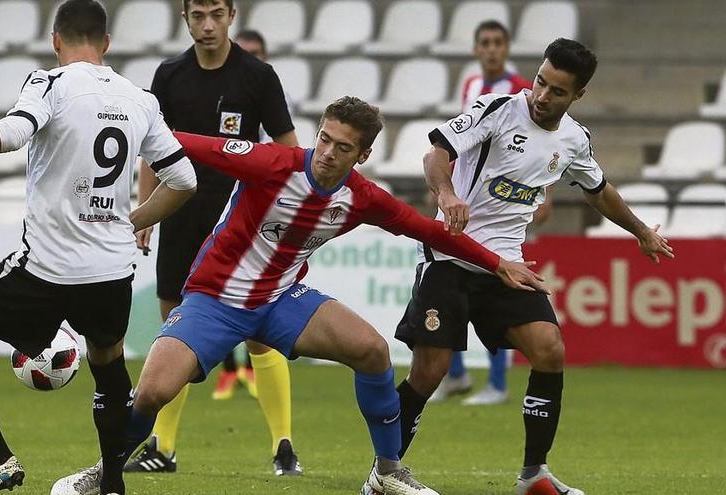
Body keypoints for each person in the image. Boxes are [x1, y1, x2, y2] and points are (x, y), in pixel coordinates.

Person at [53, 96, 548, 495]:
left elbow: (433, 232)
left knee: (373, 352)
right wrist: (110, 118)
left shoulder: (362, 197)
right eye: (325, 139)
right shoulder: (271, 163)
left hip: (282, 299)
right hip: (215, 298)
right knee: (154, 392)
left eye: (343, 147)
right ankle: (102, 470)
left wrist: (498, 262)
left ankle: (387, 472)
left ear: (363, 155)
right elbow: (179, 144)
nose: (328, 153)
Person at [0, 2, 198, 494]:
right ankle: (111, 483)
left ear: (55, 40)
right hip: (111, 271)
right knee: (107, 366)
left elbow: (11, 134)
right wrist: (130, 222)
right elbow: (184, 180)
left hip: (46, 268)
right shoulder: (140, 99)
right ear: (106, 43)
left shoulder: (49, 83)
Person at [389, 39, 674, 495]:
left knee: (549, 349)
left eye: (557, 91)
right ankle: (384, 472)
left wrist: (640, 231)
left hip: (507, 265)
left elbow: (598, 190)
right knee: (429, 371)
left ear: (577, 96)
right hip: (451, 255)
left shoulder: (574, 140)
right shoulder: (498, 109)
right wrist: (446, 195)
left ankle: (534, 476)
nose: (542, 96)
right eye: (541, 81)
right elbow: (435, 154)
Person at [126, 0, 303, 476]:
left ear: (232, 16)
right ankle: (162, 448)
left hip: (244, 227)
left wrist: (289, 218)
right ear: (185, 18)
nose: (208, 25)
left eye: (217, 14)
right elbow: (150, 149)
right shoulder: (168, 76)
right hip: (180, 218)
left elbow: (289, 154)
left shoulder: (257, 77)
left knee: (261, 334)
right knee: (173, 331)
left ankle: (283, 446)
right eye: (198, 15)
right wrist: (145, 214)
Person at [431, 20, 546, 407]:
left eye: (498, 43)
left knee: (499, 290)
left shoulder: (518, 93)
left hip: (505, 207)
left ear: (507, 47)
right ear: (476, 49)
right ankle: (458, 375)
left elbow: (538, 150)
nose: (492, 49)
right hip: (467, 202)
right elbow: (462, 143)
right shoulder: (471, 87)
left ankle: (496, 382)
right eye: (485, 43)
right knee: (453, 289)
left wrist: (543, 199)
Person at [207, 28, 280, 402]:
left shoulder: (269, 96)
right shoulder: (229, 92)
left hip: (259, 214)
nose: (251, 57)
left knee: (253, 302)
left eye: (257, 52)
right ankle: (230, 370)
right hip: (220, 204)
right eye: (246, 51)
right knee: (209, 296)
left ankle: (248, 370)